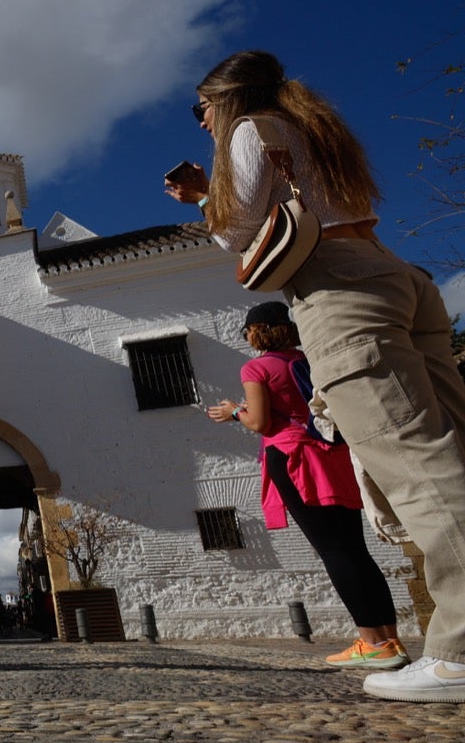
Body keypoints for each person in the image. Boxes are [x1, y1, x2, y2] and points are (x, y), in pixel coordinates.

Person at [168, 49, 465, 702]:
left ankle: (461, 649)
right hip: (392, 273)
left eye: (202, 110)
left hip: (339, 290)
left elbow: (241, 226)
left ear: (226, 100)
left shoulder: (249, 130)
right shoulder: (313, 126)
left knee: (413, 459)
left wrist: (202, 198)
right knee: (449, 446)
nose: (202, 123)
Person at [205, 301, 406, 669]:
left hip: (294, 458)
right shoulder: (307, 361)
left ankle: (370, 642)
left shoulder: (257, 367)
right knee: (356, 549)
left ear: (256, 332)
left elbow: (261, 423)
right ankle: (390, 639)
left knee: (332, 550)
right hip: (332, 455)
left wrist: (234, 410)